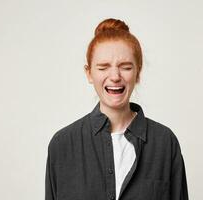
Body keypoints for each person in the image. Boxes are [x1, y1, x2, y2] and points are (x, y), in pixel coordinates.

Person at [45, 18, 189, 200]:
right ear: (89, 73)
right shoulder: (63, 145)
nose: (115, 76)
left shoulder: (164, 143)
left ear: (138, 73)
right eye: (103, 67)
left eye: (126, 67)